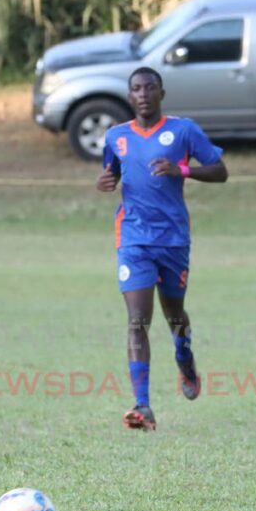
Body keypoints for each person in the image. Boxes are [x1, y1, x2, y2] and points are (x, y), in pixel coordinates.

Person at [96, 67, 228, 431]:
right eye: (136, 88)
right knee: (137, 320)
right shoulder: (115, 136)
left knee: (175, 315)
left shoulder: (183, 130)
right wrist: (104, 181)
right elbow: (112, 173)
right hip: (134, 239)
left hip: (172, 240)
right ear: (129, 95)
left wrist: (182, 171)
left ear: (161, 93)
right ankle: (143, 406)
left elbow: (220, 170)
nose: (143, 94)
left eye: (149, 87)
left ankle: (185, 357)